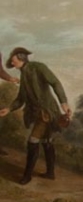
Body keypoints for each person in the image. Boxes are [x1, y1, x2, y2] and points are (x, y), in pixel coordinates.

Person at [0, 47, 71, 184]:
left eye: (13, 60)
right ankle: (50, 173)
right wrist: (9, 109)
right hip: (38, 113)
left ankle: (27, 176)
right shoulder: (23, 74)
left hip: (47, 112)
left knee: (32, 141)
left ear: (21, 58)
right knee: (47, 141)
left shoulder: (38, 67)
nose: (12, 63)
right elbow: (21, 98)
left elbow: (55, 83)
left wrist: (64, 103)